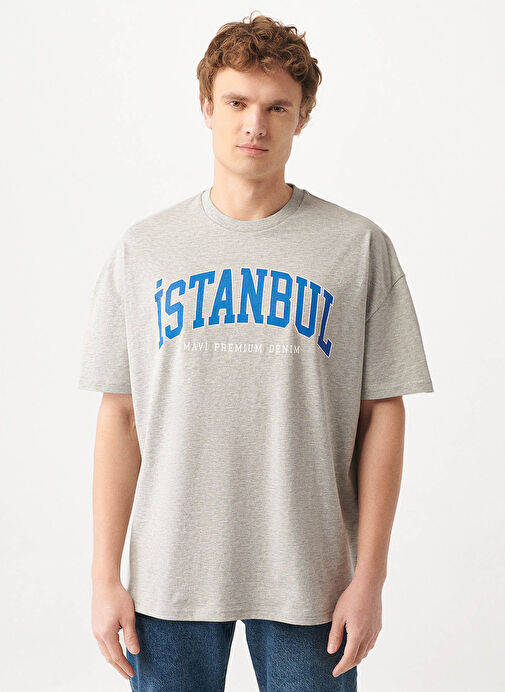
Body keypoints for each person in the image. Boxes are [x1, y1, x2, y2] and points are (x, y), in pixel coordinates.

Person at [77, 11, 434, 691]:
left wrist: (370, 577)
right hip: (168, 576)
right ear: (206, 107)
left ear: (302, 118)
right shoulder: (144, 250)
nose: (254, 126)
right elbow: (119, 416)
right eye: (237, 103)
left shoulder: (357, 247)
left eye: (277, 108)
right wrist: (103, 576)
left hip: (311, 576)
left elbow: (382, 413)